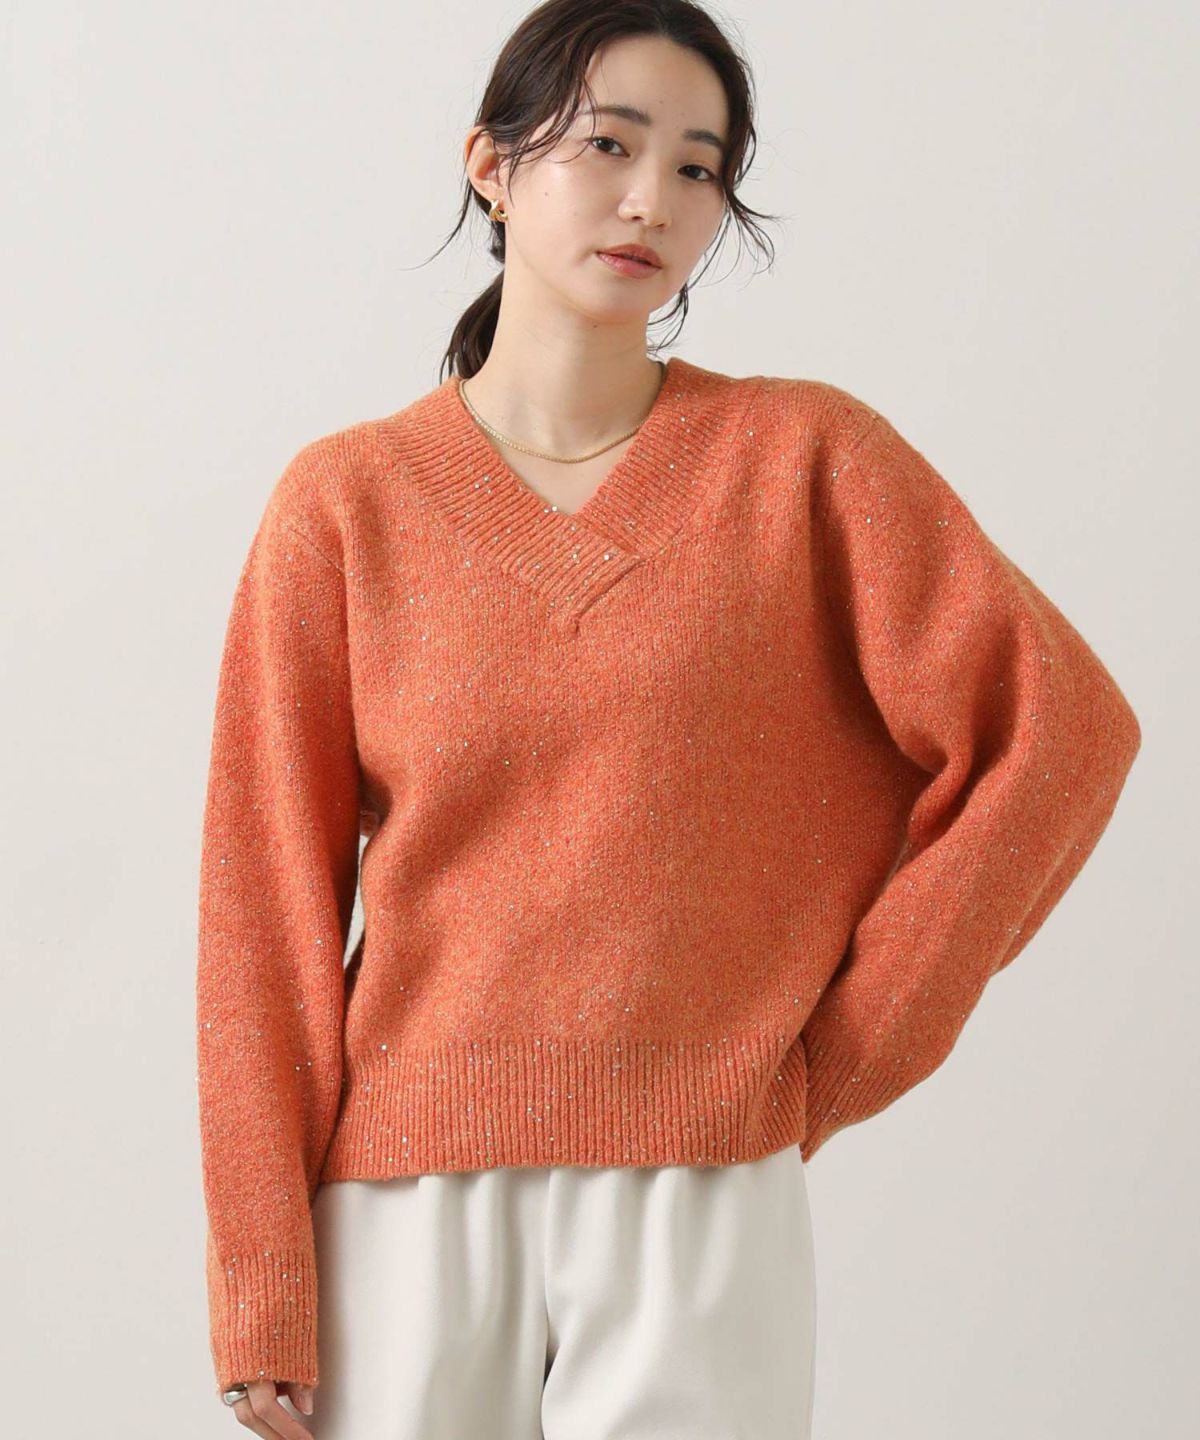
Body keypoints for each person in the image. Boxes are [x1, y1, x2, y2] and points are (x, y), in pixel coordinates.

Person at [195, 2, 1142, 1436]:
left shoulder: (803, 460)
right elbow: (262, 910)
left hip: (699, 1194)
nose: (652, 198)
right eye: (608, 145)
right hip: (400, 1202)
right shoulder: (346, 502)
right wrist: (264, 1272)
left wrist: (848, 1044)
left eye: (699, 167)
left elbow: (1059, 731)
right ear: (491, 166)